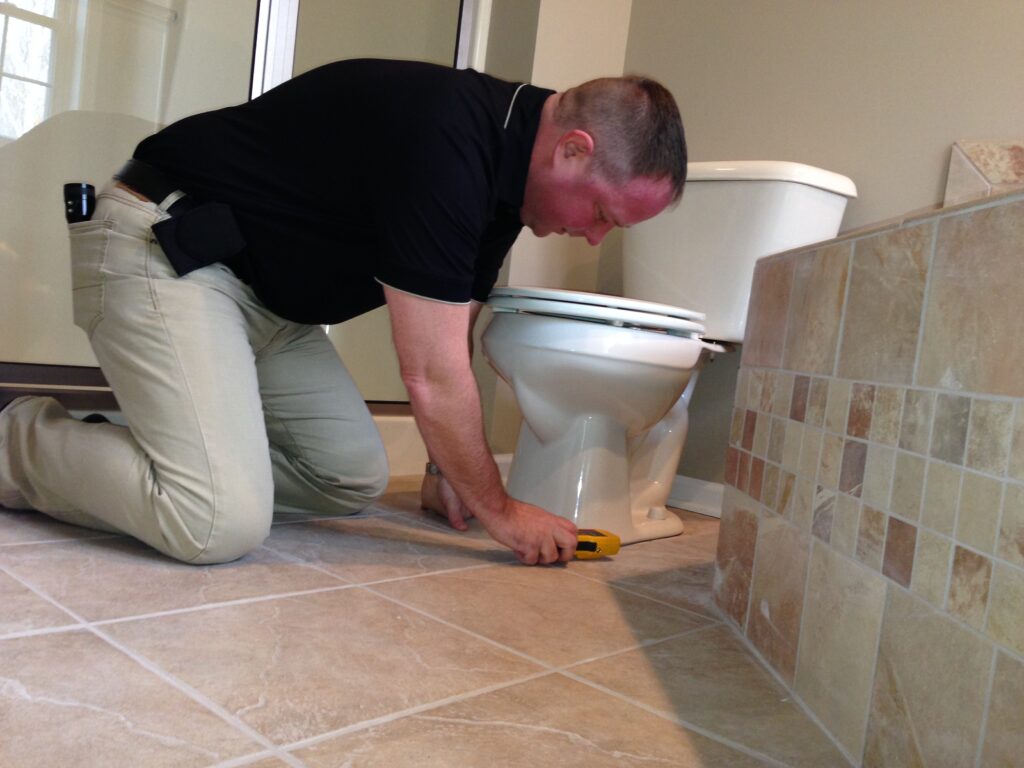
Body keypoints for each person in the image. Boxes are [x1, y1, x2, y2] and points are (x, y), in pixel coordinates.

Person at [0, 59, 686, 566]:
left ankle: (181, 454)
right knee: (214, 523)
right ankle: (12, 441)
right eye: (601, 213)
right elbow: (430, 373)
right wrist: (500, 512)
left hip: (263, 302)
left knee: (349, 475)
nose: (594, 237)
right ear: (572, 150)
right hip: (167, 247)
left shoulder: (505, 185)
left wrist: (452, 469)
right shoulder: (450, 140)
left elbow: (458, 326)